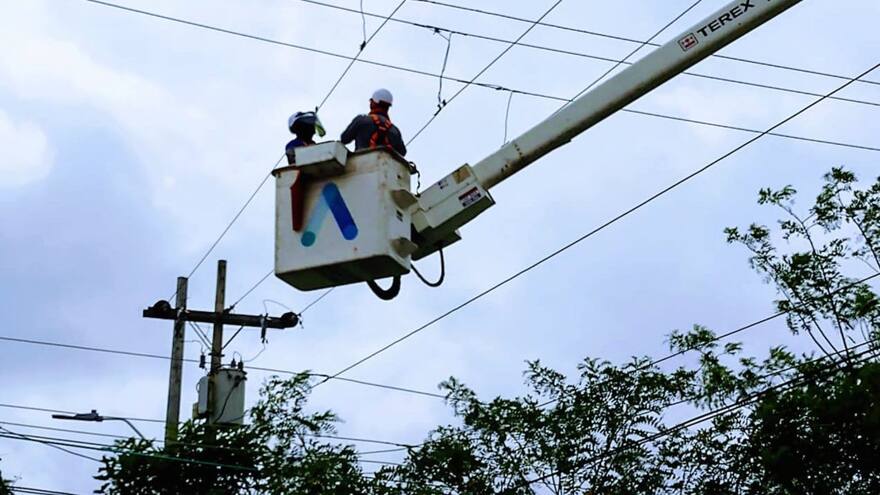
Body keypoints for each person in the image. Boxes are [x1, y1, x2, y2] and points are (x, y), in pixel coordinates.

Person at [340, 89, 407, 157]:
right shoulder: (395, 131)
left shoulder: (361, 120)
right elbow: (402, 152)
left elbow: (344, 138)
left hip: (361, 162)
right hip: (385, 163)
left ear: (373, 103)